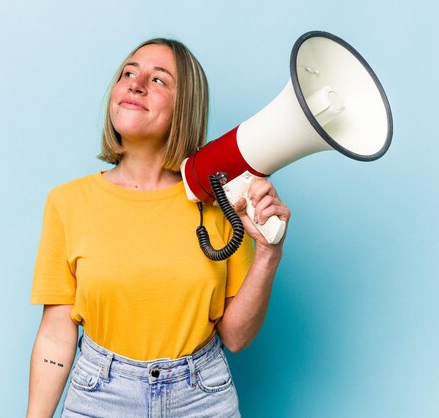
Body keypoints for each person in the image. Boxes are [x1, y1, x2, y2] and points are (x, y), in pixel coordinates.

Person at [26, 38, 291, 418]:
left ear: (185, 108)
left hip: (201, 395)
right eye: (128, 73)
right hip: (100, 394)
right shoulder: (68, 202)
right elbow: (56, 332)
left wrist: (268, 253)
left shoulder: (220, 203)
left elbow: (236, 337)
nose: (136, 83)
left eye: (159, 80)